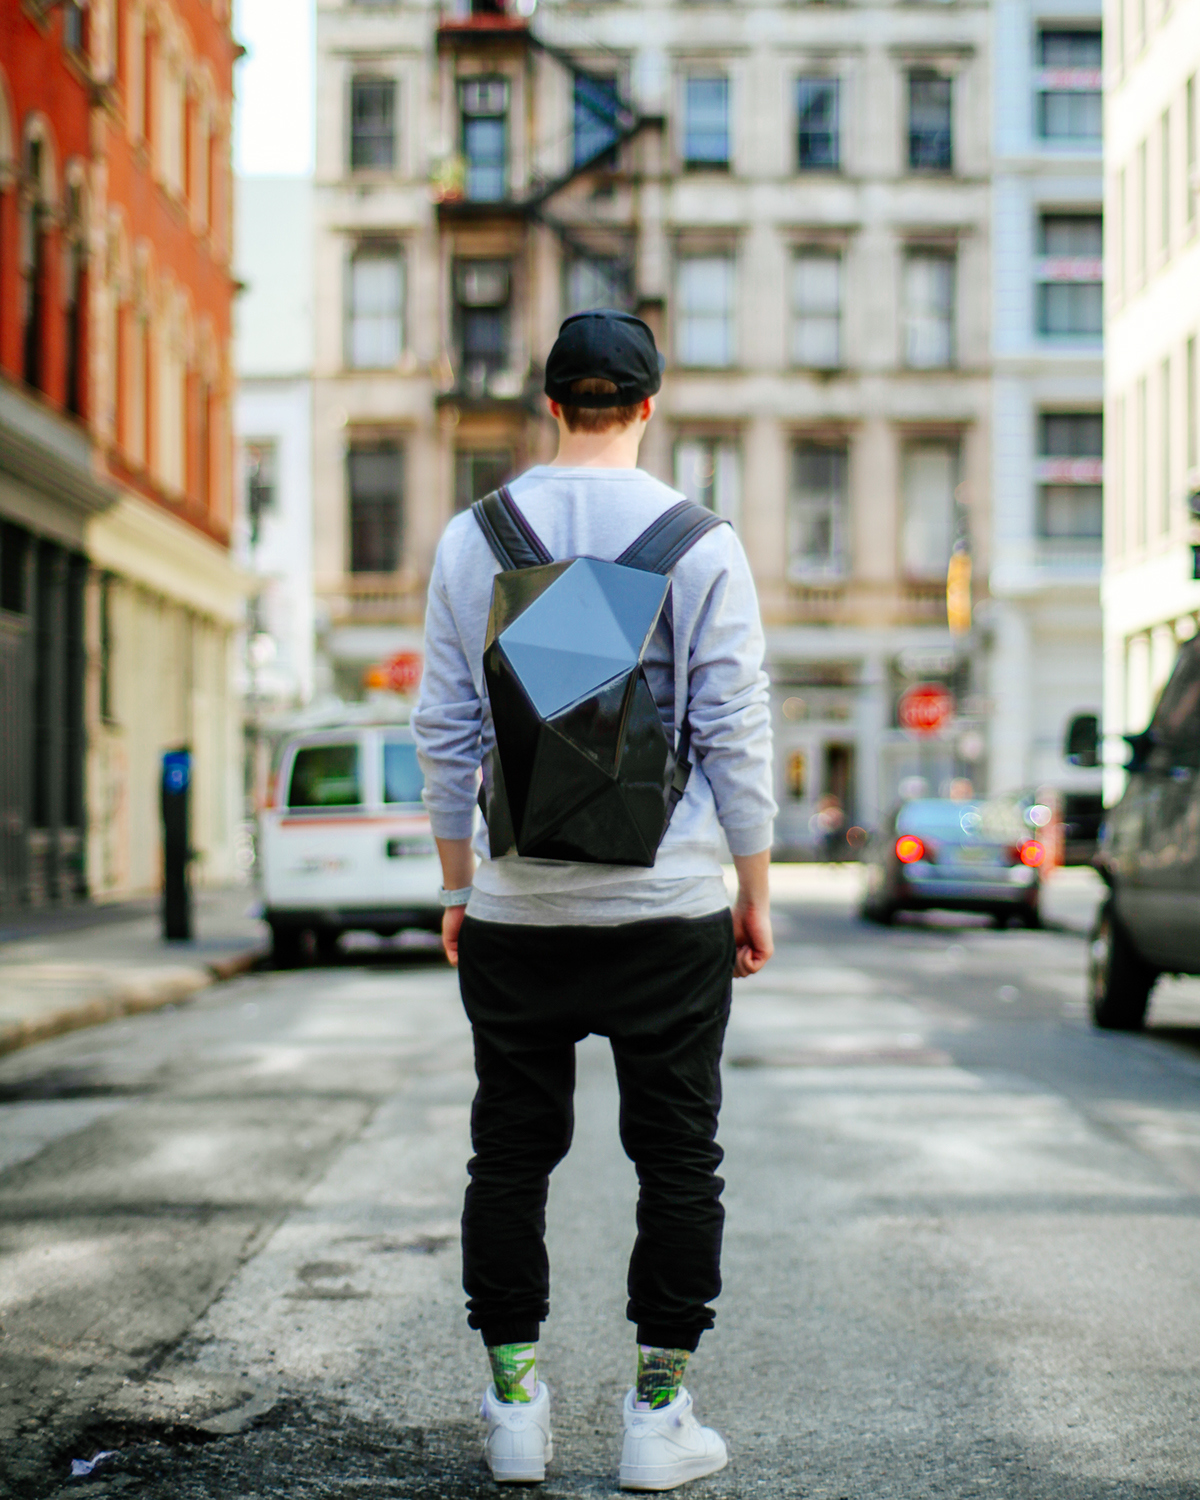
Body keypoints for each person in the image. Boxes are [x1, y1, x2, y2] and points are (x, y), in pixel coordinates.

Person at [413, 309, 776, 1492]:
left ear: (552, 403)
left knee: (509, 1154)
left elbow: (446, 729)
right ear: (648, 407)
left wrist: (461, 884)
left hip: (518, 909)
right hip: (667, 907)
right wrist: (751, 889)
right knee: (678, 1157)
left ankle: (516, 1406)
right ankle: (656, 1415)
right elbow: (735, 730)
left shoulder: (478, 537)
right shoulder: (699, 540)